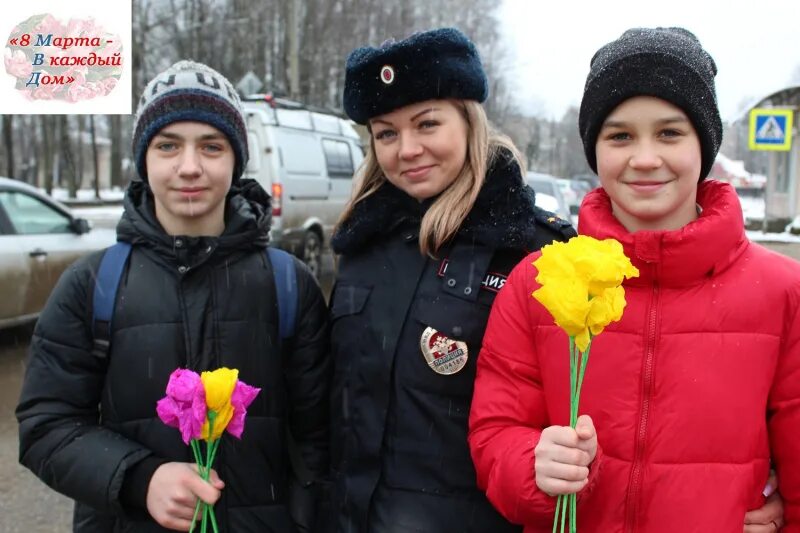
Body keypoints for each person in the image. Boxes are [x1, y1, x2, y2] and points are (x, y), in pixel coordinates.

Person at [468, 27, 799, 531]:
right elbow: (495, 432)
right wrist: (532, 465)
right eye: (620, 135)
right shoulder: (538, 283)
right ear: (595, 148)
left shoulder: (782, 292)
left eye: (670, 133)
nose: (645, 159)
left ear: (704, 145)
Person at [16, 61, 330, 532]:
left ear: (236, 159)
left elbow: (319, 439)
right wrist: (139, 478)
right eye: (168, 146)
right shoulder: (94, 284)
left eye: (211, 146)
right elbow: (46, 426)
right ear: (144, 159)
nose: (189, 167)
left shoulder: (286, 283)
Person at [326, 27, 576, 532]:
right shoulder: (361, 245)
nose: (408, 149)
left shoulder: (535, 251)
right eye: (386, 133)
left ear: (469, 121)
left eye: (427, 124)